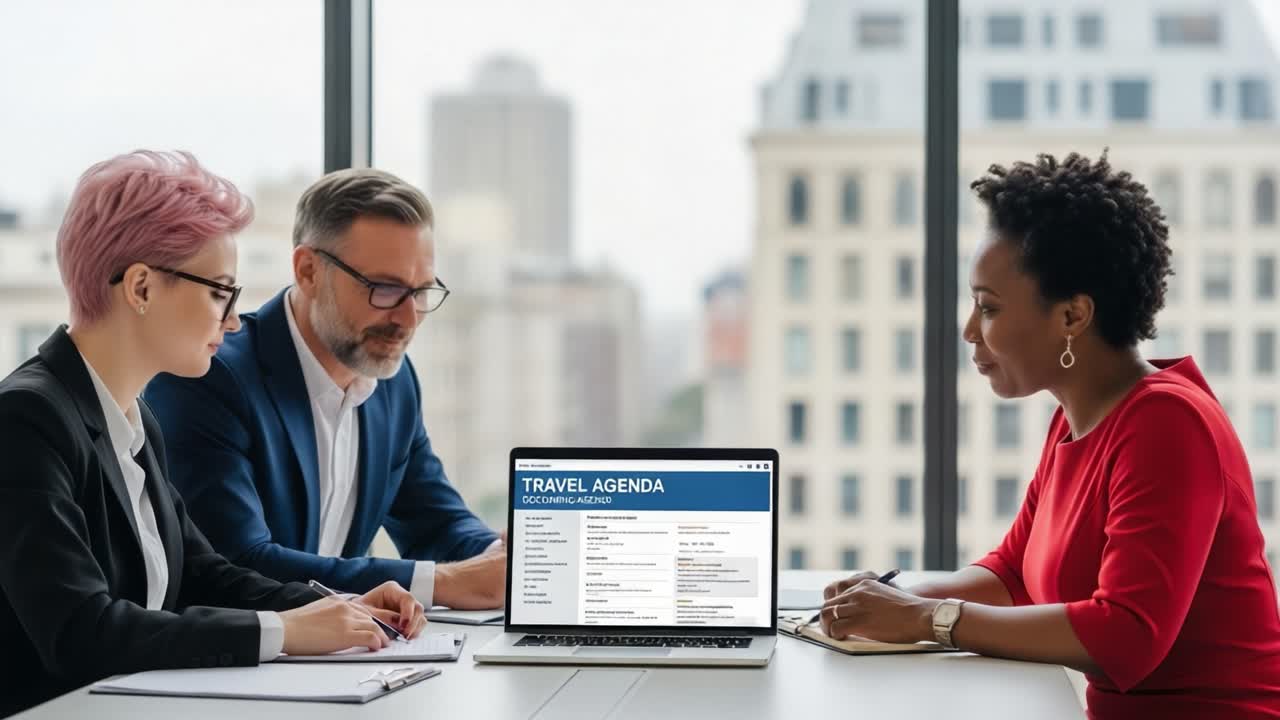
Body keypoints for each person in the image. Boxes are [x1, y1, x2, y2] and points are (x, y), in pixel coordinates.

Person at [817, 152, 1280, 718]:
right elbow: (1013, 572)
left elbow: (1126, 635)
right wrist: (893, 600)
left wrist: (924, 620)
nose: (969, 330)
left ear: (1072, 317)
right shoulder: (1076, 416)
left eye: (988, 308)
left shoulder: (1168, 425)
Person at [0, 151, 426, 718]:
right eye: (219, 291)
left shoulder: (132, 418)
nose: (232, 320)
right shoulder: (26, 420)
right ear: (142, 288)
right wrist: (284, 631)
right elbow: (82, 631)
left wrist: (337, 606)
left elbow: (204, 574)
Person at [144, 168, 504, 612]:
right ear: (308, 271)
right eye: (385, 289)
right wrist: (442, 582)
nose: (408, 319)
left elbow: (435, 522)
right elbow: (237, 565)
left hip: (342, 650)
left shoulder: (393, 382)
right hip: (236, 651)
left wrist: (506, 558)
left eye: (421, 291)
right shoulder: (208, 377)